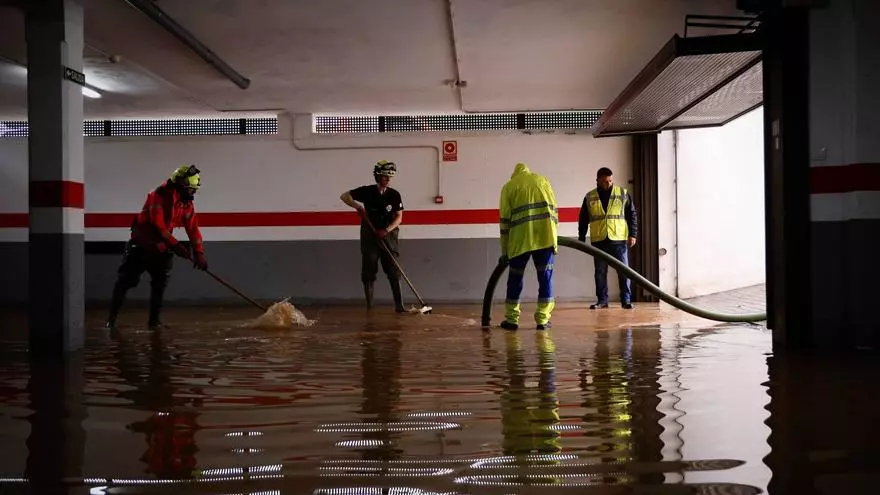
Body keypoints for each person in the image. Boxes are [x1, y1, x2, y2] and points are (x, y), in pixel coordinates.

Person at [105, 165, 208, 329]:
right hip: (140, 247)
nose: (193, 193)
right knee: (125, 282)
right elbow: (159, 227)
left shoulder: (185, 204)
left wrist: (199, 253)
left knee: (159, 284)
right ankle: (111, 320)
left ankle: (154, 322)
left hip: (161, 248)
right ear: (180, 185)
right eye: (191, 189)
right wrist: (176, 246)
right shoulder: (157, 196)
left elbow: (193, 229)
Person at [498, 162, 559, 331]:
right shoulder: (543, 181)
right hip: (545, 238)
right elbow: (554, 210)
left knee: (515, 278)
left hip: (520, 240)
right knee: (545, 277)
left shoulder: (509, 187)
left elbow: (504, 222)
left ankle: (512, 320)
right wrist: (554, 239)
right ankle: (542, 320)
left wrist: (505, 251)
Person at [340, 160, 406, 313]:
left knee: (393, 271)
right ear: (377, 176)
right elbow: (344, 196)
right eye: (385, 176)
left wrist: (387, 230)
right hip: (370, 235)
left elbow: (399, 218)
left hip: (389, 236)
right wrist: (357, 207)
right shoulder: (367, 191)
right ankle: (370, 306)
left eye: (390, 177)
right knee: (369, 270)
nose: (388, 180)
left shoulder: (394, 195)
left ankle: (399, 306)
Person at [578, 166, 638, 310]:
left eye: (610, 181)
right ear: (597, 180)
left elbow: (632, 215)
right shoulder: (590, 196)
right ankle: (602, 301)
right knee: (600, 272)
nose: (608, 184)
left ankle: (626, 300)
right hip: (599, 240)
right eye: (605, 181)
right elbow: (583, 218)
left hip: (618, 239)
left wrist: (633, 234)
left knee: (624, 271)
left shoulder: (622, 193)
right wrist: (581, 236)